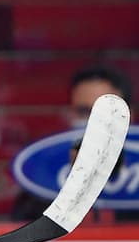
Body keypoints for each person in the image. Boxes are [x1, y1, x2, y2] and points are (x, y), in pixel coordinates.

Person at [10, 64, 134, 221]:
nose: (94, 120)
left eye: (107, 112)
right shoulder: (46, 177)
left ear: (129, 115)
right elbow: (26, 224)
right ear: (70, 115)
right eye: (83, 111)